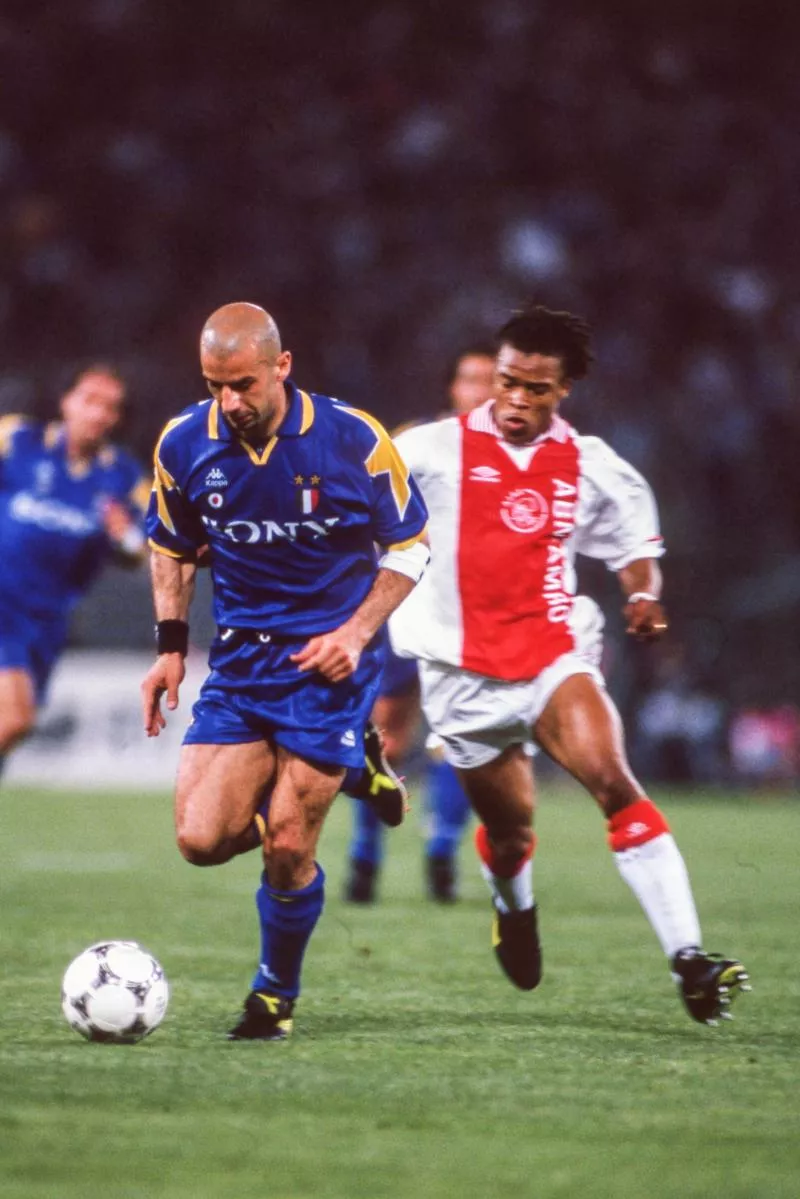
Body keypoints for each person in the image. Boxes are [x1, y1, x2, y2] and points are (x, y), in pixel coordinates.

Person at [389, 304, 750, 1026]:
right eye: (507, 382)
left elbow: (633, 541)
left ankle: (689, 957)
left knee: (613, 779)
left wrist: (643, 594)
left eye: (536, 389)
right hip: (462, 678)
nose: (516, 401)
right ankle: (514, 909)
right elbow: (350, 494)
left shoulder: (589, 464)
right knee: (514, 829)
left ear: (564, 392)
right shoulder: (429, 449)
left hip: (554, 654)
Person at [141, 302, 428, 1041]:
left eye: (243, 383)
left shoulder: (353, 438)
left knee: (290, 843)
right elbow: (171, 544)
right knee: (200, 840)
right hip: (240, 664)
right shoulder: (182, 444)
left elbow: (411, 546)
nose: (230, 402)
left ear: (282, 366)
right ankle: (354, 765)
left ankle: (274, 994)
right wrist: (171, 645)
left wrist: (356, 633)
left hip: (327, 666)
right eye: (215, 386)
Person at [345, 344, 496, 905]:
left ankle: (441, 847)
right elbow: (372, 501)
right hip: (410, 602)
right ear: (453, 389)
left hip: (476, 614)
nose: (479, 390)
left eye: (489, 380)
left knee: (459, 735)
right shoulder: (417, 439)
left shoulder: (516, 453)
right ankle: (365, 855)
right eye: (469, 379)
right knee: (388, 729)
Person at [0, 363, 148, 778]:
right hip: (3, 603)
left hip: (47, 620)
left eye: (110, 407)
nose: (98, 413)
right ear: (66, 401)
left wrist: (125, 536)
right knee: (15, 719)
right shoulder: (18, 440)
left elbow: (146, 551)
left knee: (10, 730)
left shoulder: (123, 477)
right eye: (89, 400)